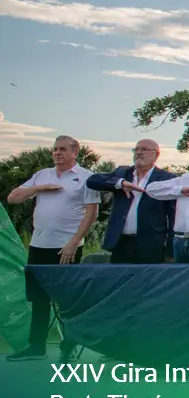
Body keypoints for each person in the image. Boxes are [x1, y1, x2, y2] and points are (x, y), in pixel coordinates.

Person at [5, 136, 99, 362]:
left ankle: (69, 347)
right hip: (38, 246)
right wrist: (40, 188)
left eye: (63, 149)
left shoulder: (86, 177)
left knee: (67, 299)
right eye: (55, 149)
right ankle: (36, 347)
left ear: (75, 153)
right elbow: (12, 198)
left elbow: (91, 213)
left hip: (65, 248)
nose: (57, 153)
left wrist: (74, 242)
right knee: (38, 299)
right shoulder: (42, 175)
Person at [86, 139, 176, 263]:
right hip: (121, 243)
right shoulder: (122, 173)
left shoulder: (167, 179)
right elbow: (92, 181)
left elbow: (173, 216)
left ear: (156, 155)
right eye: (136, 149)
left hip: (151, 245)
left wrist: (171, 250)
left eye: (144, 149)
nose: (139, 152)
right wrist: (120, 183)